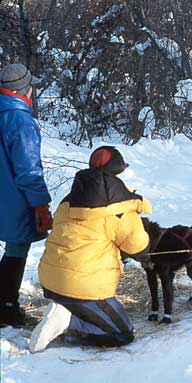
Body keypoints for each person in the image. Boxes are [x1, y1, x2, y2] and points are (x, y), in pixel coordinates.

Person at [29, 146, 151, 353]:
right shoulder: (121, 208)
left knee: (88, 305)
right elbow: (137, 247)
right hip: (83, 287)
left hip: (50, 279)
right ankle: (68, 322)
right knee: (122, 333)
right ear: (118, 172)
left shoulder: (69, 200)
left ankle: (64, 310)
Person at [0, 63, 53, 328]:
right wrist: (41, 205)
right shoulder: (20, 120)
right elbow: (28, 170)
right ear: (24, 91)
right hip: (14, 198)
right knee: (17, 248)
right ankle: (7, 309)